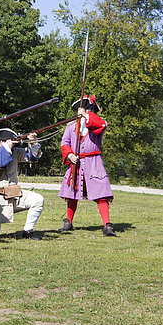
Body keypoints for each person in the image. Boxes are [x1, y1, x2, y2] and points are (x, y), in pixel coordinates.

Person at [58, 96, 115, 236]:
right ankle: (68, 223)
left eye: (89, 110)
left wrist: (86, 115)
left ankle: (107, 226)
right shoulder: (71, 127)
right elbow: (64, 143)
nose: (84, 112)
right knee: (72, 194)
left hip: (93, 163)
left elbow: (99, 124)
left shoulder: (98, 122)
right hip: (75, 164)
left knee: (101, 195)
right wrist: (70, 154)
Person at [0, 128, 44, 240]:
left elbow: (32, 157)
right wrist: (7, 147)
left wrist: (33, 142)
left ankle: (28, 231)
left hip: (14, 195)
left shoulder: (14, 151)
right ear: (2, 142)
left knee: (38, 200)